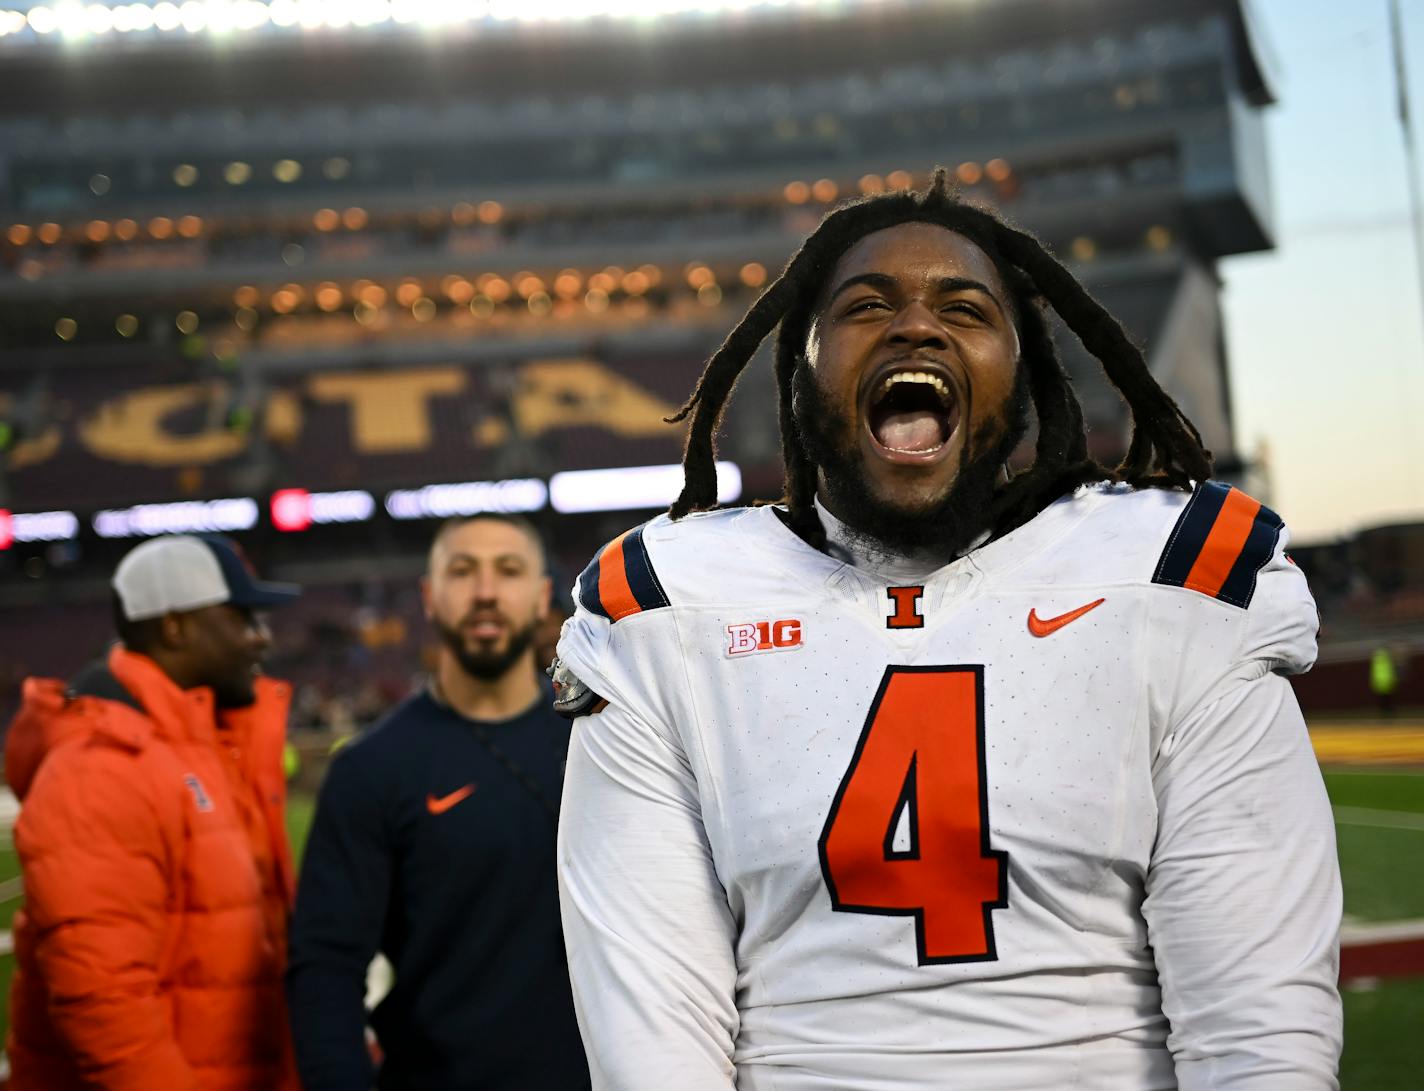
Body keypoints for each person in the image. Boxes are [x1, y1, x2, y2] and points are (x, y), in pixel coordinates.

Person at [552, 173, 1342, 1089]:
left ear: (1025, 367)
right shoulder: (663, 608)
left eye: (965, 307)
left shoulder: (1172, 580)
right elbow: (655, 1040)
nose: (915, 325)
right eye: (864, 305)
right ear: (799, 371)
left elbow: (1259, 1028)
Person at [287, 514, 590, 1091]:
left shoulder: (608, 744)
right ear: (428, 598)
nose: (484, 591)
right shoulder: (371, 769)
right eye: (461, 571)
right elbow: (326, 968)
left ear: (542, 596)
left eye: (508, 570)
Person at [5, 534, 302, 1090]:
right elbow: (107, 1005)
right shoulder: (101, 767)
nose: (261, 638)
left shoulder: (199, 748)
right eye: (242, 618)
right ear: (175, 627)